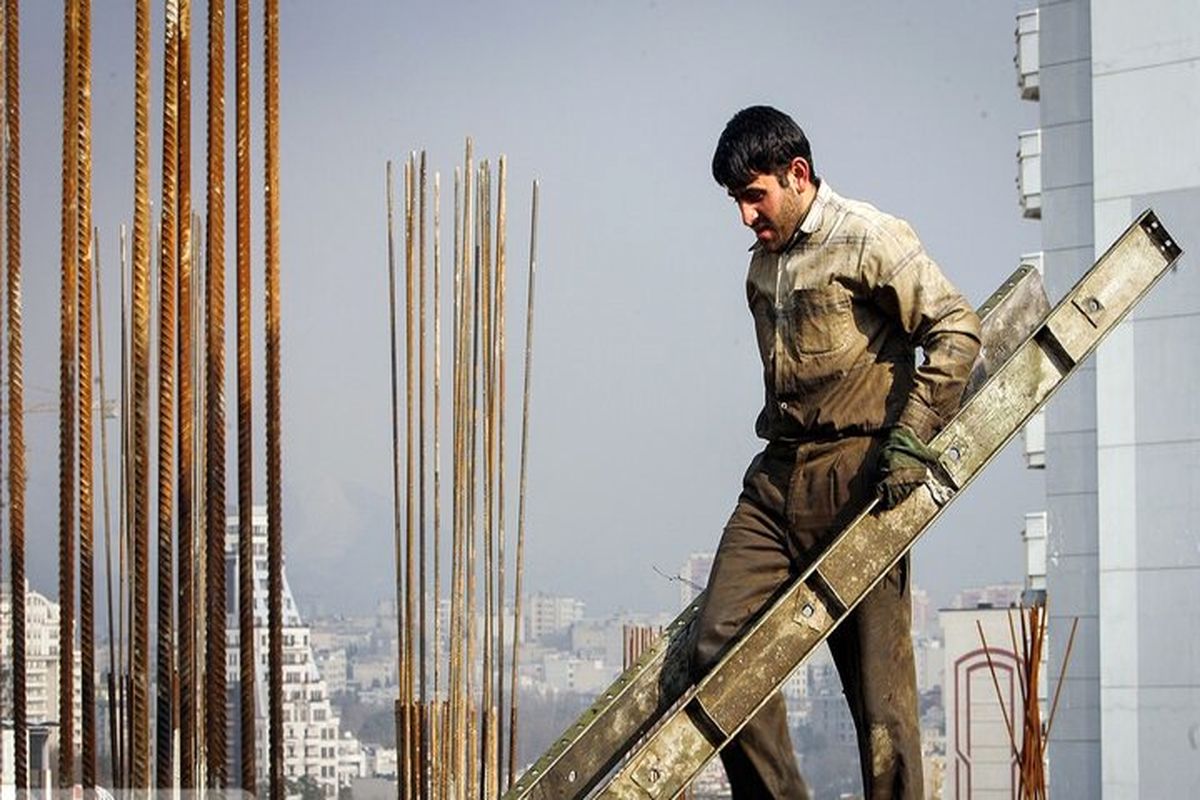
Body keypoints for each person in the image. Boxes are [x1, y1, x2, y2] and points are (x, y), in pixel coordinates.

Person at [691, 106, 982, 799]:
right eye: (737, 203)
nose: (745, 218)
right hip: (778, 479)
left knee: (880, 701)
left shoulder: (868, 237)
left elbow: (956, 329)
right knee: (717, 644)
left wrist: (910, 437)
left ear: (797, 176)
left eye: (754, 197)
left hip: (863, 479)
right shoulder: (763, 266)